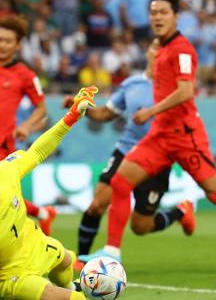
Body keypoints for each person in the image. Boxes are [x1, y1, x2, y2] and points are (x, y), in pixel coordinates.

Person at [84, 0, 216, 263]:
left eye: (163, 13)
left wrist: (150, 111)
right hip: (160, 135)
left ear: (176, 17)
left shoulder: (182, 50)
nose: (157, 17)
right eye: (153, 13)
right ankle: (111, 253)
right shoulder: (160, 50)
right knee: (120, 182)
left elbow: (185, 91)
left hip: (185, 135)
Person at [73, 41, 194, 270]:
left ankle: (181, 211)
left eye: (164, 49)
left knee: (140, 226)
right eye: (155, 48)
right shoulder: (132, 84)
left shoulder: (175, 88)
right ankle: (81, 259)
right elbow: (107, 113)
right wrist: (82, 108)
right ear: (148, 52)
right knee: (97, 205)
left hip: (157, 158)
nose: (158, 53)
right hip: (126, 150)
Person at [0, 85, 97, 300]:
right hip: (11, 274)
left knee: (64, 260)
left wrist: (71, 117)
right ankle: (56, 291)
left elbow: (37, 151)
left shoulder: (6, 170)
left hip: (31, 242)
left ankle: (68, 282)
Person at [0, 15, 56, 235]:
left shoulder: (24, 75)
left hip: (4, 145)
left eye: (8, 41)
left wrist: (27, 127)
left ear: (18, 45)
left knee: (5, 197)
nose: (2, 45)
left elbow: (42, 110)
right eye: (0, 39)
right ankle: (42, 213)